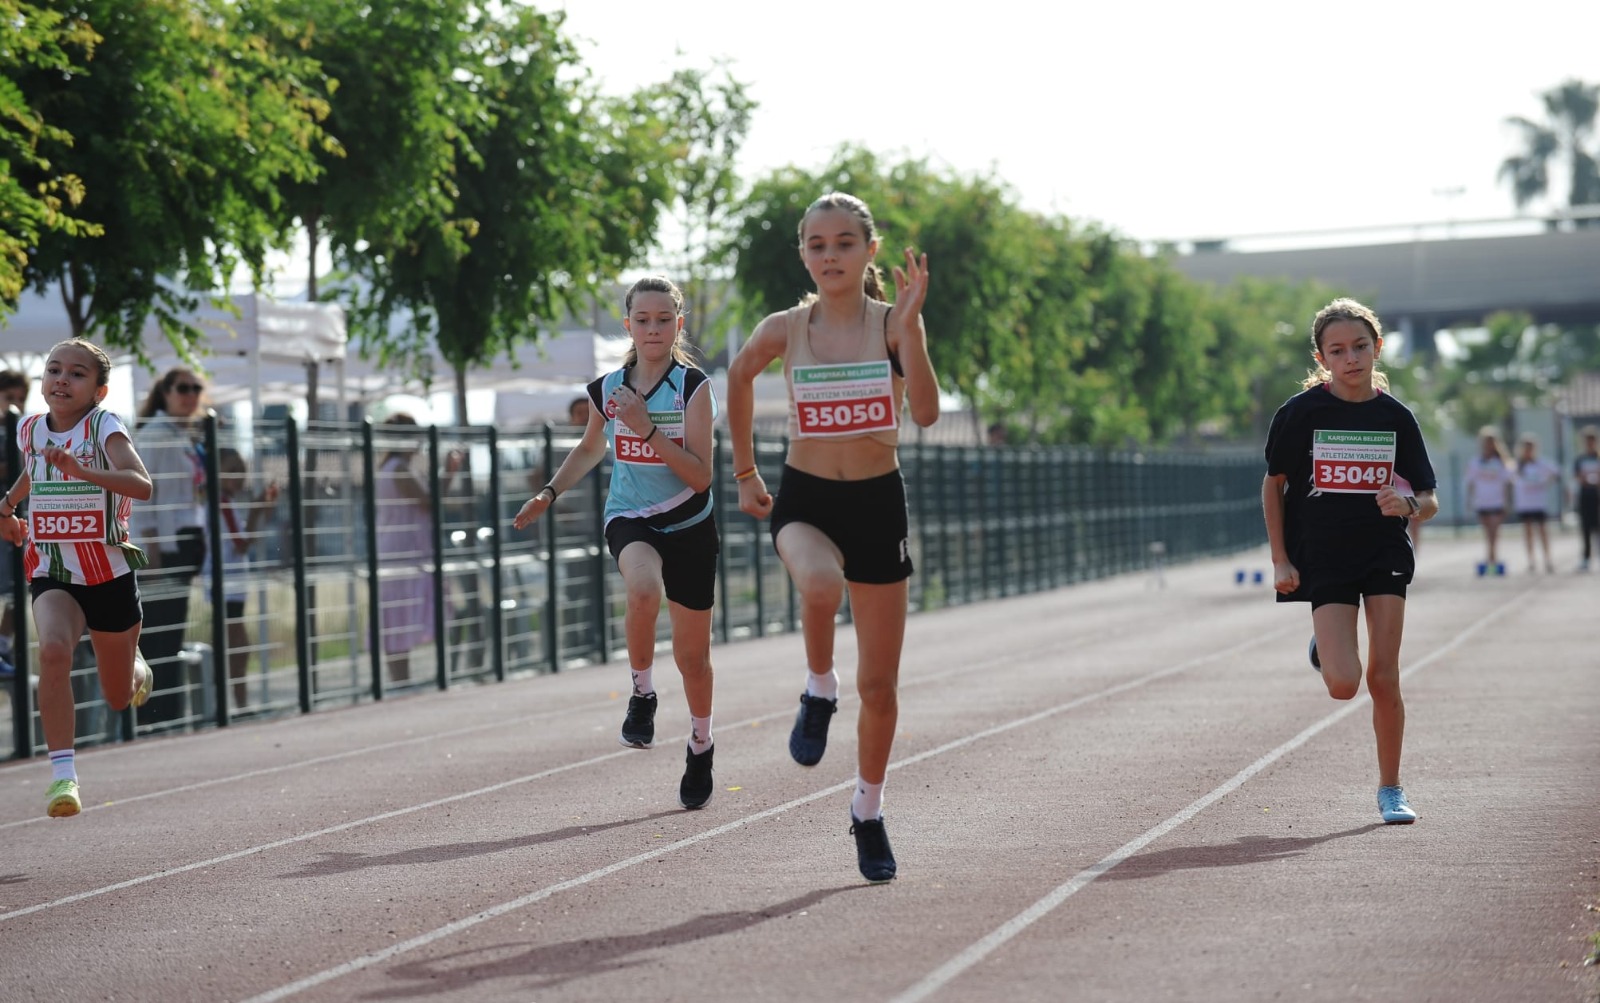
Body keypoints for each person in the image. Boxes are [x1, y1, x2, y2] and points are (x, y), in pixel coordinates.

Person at [725, 192, 940, 881]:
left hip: (878, 506)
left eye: (844, 243)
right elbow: (737, 376)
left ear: (869, 250)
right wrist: (745, 471)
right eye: (816, 245)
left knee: (880, 687)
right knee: (819, 585)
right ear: (803, 254)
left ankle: (867, 810)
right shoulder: (785, 328)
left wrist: (911, 329)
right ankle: (819, 685)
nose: (830, 256)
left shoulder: (893, 323)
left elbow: (926, 413)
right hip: (807, 500)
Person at [513, 276, 722, 810]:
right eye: (643, 320)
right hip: (630, 516)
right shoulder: (609, 388)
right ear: (627, 325)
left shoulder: (693, 388)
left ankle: (701, 743)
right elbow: (590, 448)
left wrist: (647, 428)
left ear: (679, 324)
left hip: (690, 523)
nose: (653, 329)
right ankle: (642, 693)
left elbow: (701, 477)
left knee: (693, 659)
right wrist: (549, 493)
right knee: (643, 588)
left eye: (664, 320)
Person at [1263, 298, 1437, 825]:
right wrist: (1280, 560)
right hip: (1324, 556)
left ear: (1377, 347)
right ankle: (1326, 646)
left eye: (1360, 346)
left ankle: (1391, 788)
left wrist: (1407, 505)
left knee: (1383, 677)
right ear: (1322, 358)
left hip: (1383, 551)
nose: (1351, 358)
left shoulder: (1395, 417)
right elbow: (1273, 486)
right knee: (1344, 684)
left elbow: (1429, 499)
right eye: (1337, 351)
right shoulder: (1300, 414)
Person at [0, 340, 154, 817]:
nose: (62, 379)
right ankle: (63, 778)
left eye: (77, 373)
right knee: (52, 650)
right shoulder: (29, 429)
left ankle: (136, 665)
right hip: (53, 569)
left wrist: (82, 471)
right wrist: (7, 506)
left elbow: (142, 484)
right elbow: (33, 471)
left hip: (108, 574)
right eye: (54, 369)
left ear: (99, 391)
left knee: (117, 696)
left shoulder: (104, 426)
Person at [131, 367, 209, 723]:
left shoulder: (182, 435)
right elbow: (142, 498)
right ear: (165, 392)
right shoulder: (155, 435)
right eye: (183, 388)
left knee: (172, 635)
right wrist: (152, 555)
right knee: (157, 639)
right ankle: (152, 721)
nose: (190, 395)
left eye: (196, 388)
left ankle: (169, 718)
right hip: (163, 549)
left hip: (185, 543)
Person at [374, 414, 462, 684]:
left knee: (403, 616)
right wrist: (448, 472)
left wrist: (449, 472)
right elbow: (428, 503)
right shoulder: (398, 469)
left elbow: (429, 500)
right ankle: (402, 682)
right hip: (403, 551)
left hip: (409, 549)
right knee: (399, 617)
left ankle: (405, 681)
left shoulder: (397, 468)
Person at [215, 447, 280, 709]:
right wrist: (255, 511)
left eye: (241, 470)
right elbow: (241, 543)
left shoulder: (226, 502)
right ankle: (238, 705)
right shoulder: (222, 502)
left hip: (234, 582)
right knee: (238, 645)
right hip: (226, 582)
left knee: (237, 645)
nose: (239, 476)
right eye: (231, 470)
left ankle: (238, 704)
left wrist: (259, 509)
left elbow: (243, 538)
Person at [1, 369, 30, 677]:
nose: (16, 404)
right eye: (9, 397)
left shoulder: (24, 433)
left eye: (21, 398)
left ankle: (3, 646)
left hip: (18, 523)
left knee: (18, 588)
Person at [1463, 426, 1512, 576]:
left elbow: (1507, 483)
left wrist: (1507, 502)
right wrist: (1469, 501)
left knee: (1494, 531)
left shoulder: (1502, 462)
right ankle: (1490, 558)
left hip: (1497, 501)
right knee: (1487, 532)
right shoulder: (1476, 462)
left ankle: (1493, 558)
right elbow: (1470, 483)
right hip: (1482, 501)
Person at [1511, 433, 1560, 574]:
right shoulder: (1517, 465)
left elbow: (1556, 473)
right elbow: (1510, 478)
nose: (1528, 451)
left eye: (1530, 448)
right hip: (1524, 503)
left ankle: (1548, 559)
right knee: (1528, 533)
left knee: (1543, 531)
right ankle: (1531, 561)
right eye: (1525, 448)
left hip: (1538, 503)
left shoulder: (1541, 463)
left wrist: (1545, 482)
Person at [1574, 426, 1600, 571]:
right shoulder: (1580, 459)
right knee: (1585, 528)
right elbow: (1577, 476)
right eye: (1587, 440)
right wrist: (1584, 479)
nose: (1590, 443)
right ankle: (1586, 557)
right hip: (1585, 496)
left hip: (1597, 495)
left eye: (1592, 440)